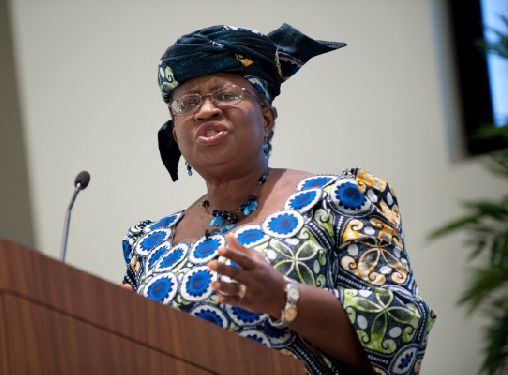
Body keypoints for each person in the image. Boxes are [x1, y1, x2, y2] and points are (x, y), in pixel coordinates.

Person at [121, 23, 435, 374]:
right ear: (176, 136)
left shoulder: (338, 200)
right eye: (188, 103)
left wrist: (283, 297)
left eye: (225, 94)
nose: (206, 110)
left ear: (267, 118)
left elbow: (401, 335)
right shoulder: (148, 245)